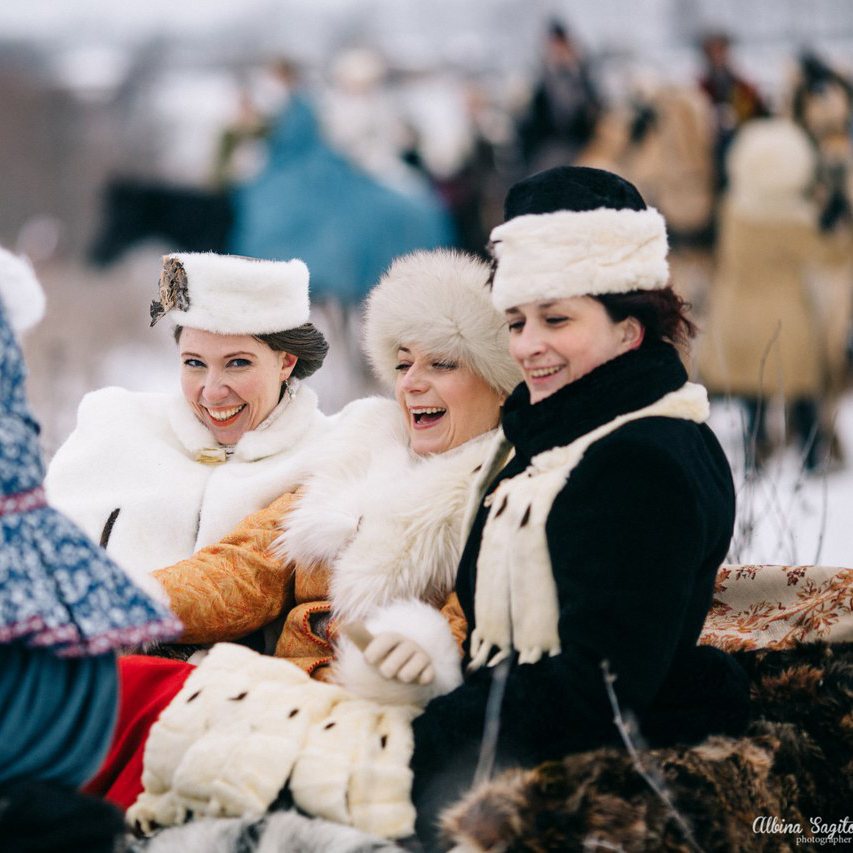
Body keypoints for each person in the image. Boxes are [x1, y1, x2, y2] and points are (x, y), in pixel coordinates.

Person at [341, 167, 750, 846]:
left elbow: (595, 693)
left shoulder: (640, 459)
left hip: (594, 775)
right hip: (514, 743)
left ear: (629, 328)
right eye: (515, 321)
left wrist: (416, 738)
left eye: (556, 318)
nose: (528, 344)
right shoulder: (553, 435)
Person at [84, 248, 523, 809]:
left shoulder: (505, 491)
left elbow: (478, 625)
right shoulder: (362, 446)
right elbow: (247, 568)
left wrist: (428, 650)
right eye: (405, 362)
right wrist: (129, 599)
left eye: (441, 364)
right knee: (109, 689)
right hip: (273, 697)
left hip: (361, 724)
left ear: (497, 377)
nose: (412, 383)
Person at [0, 247, 180, 850]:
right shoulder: (110, 440)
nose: (215, 386)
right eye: (195, 361)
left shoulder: (324, 471)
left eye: (237, 361)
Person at [45, 252, 329, 581]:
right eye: (194, 363)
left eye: (237, 363)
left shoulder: (327, 458)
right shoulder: (115, 426)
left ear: (286, 362)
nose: (211, 392)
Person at [698, 118, 853, 472]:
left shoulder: (733, 207)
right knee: (802, 389)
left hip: (735, 311)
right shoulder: (794, 219)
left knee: (753, 392)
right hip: (787, 318)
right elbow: (834, 255)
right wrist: (838, 221)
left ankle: (756, 450)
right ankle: (812, 456)